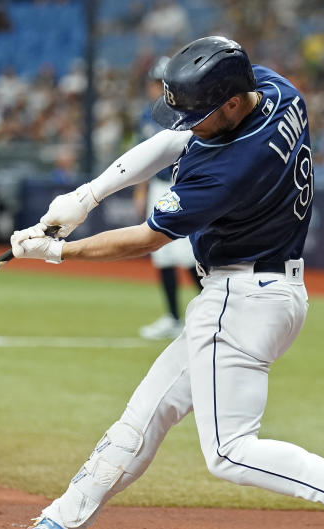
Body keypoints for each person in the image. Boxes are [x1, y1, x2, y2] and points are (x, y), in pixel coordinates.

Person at [0, 36, 324, 529]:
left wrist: (59, 250)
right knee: (148, 411)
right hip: (268, 292)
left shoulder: (233, 168)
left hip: (239, 300)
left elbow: (146, 238)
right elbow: (170, 140)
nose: (189, 124)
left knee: (230, 452)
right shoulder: (276, 91)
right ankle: (63, 525)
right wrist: (86, 197)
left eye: (200, 113)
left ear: (233, 103)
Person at [134, 56, 202, 340]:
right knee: (162, 257)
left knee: (188, 257)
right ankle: (173, 318)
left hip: (180, 187)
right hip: (158, 187)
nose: (154, 89)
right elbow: (143, 155)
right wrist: (141, 188)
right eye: (153, 83)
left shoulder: (188, 112)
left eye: (158, 84)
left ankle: (222, 312)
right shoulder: (146, 115)